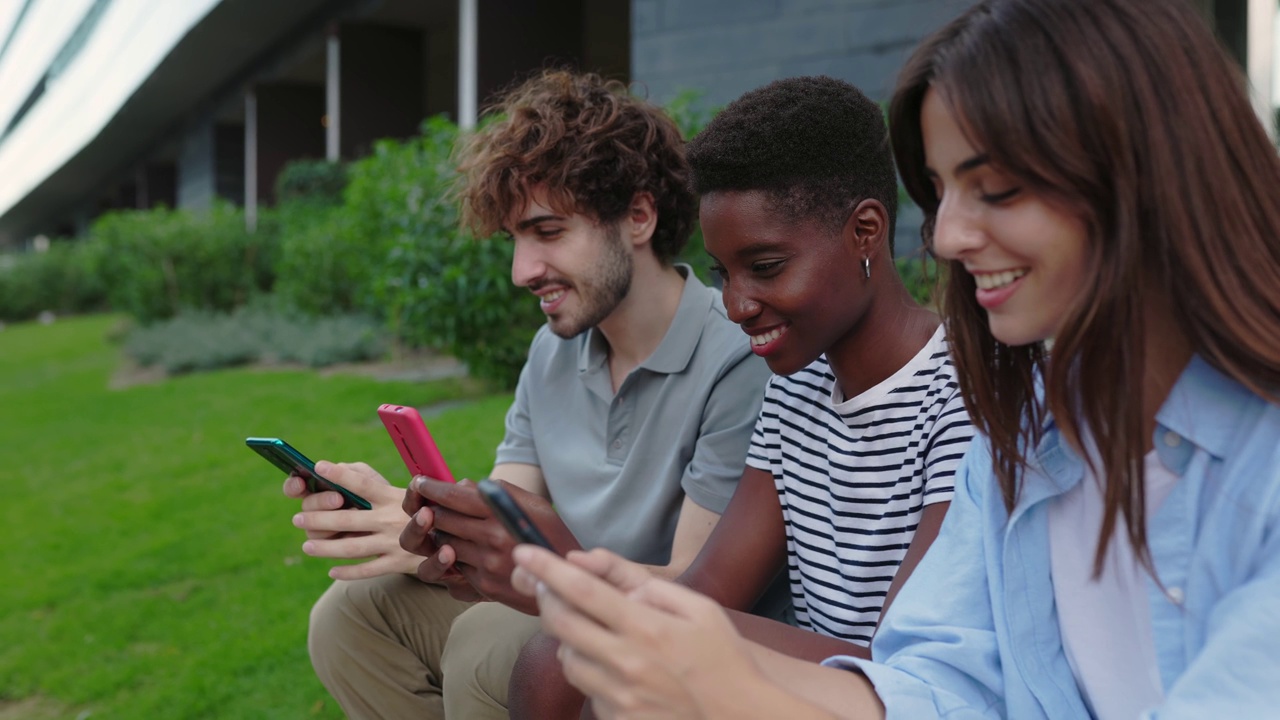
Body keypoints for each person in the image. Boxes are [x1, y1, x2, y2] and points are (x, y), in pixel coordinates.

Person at [509, 0, 1280, 718]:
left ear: (1143, 172)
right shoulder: (1022, 444)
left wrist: (737, 685)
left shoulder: (1232, 459)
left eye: (998, 189)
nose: (945, 237)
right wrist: (655, 624)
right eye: (942, 191)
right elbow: (933, 685)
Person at [283, 69, 771, 720]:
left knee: (492, 642)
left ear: (638, 216)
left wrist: (516, 566)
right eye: (516, 239)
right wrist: (419, 523)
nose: (521, 272)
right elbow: (508, 505)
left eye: (548, 233)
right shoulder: (554, 350)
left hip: (675, 647)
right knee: (351, 618)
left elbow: (697, 587)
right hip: (554, 598)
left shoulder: (732, 359)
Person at [507, 75, 974, 719]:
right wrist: (580, 576)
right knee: (559, 659)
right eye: (724, 274)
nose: (736, 305)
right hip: (802, 668)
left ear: (866, 231)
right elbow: (709, 588)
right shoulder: (797, 388)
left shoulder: (959, 399)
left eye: (765, 267)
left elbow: (901, 666)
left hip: (894, 691)